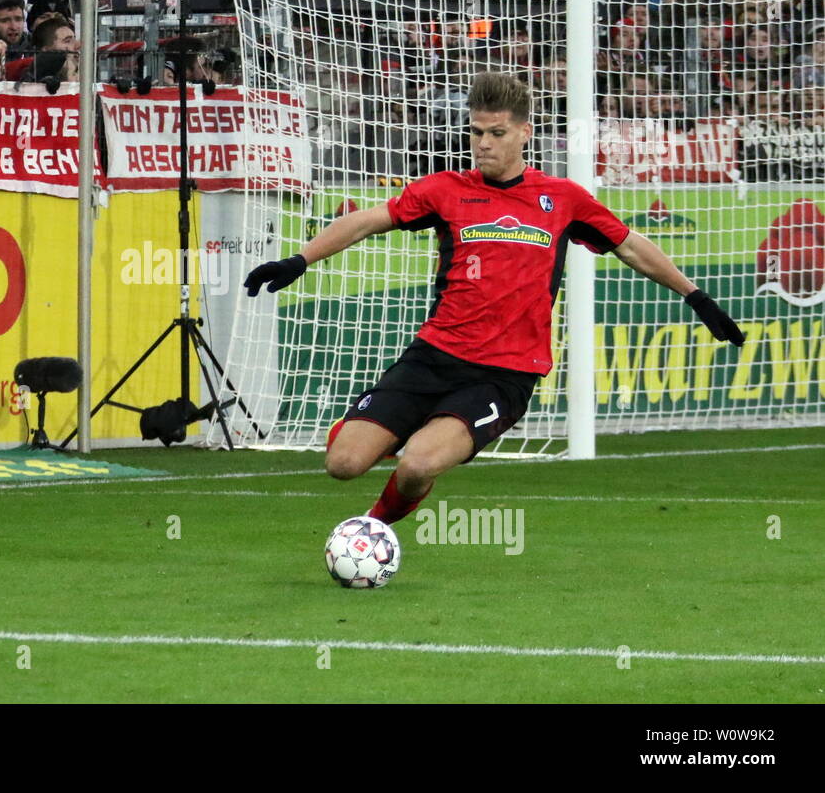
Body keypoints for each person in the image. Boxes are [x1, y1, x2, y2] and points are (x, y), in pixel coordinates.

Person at [242, 72, 744, 527]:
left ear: (525, 133)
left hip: (503, 374)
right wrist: (299, 260)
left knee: (418, 464)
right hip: (433, 356)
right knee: (343, 464)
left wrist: (696, 297)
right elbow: (367, 219)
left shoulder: (563, 199)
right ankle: (376, 430)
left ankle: (370, 529)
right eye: (476, 132)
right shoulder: (446, 190)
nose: (483, 144)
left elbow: (632, 246)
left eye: (496, 133)